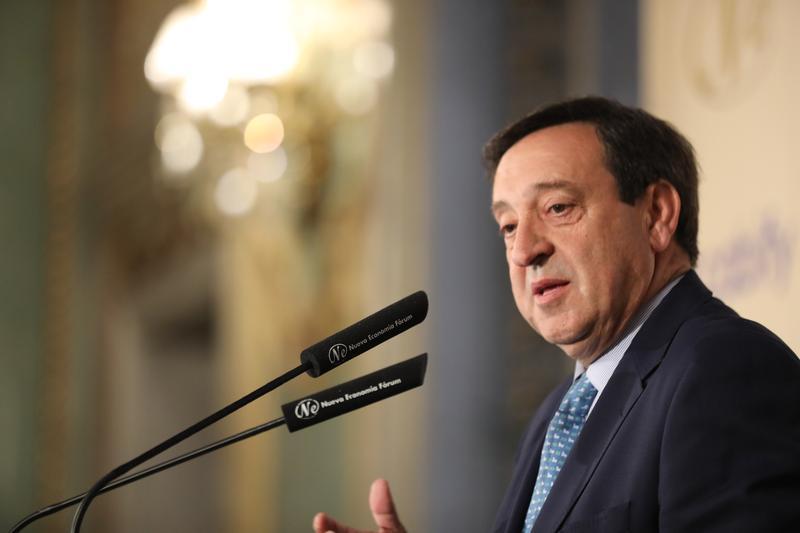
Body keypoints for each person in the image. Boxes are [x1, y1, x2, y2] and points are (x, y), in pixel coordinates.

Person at [313, 97, 800, 533]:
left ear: (655, 215)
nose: (523, 250)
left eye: (558, 207)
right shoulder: (557, 413)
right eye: (508, 225)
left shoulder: (723, 367)